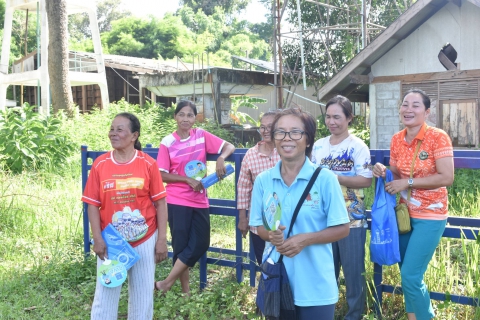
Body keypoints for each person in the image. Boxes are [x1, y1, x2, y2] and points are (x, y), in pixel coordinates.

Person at [249, 107, 350, 320]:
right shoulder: (263, 181)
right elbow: (259, 227)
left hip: (317, 288)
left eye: (295, 132)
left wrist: (305, 240)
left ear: (308, 139)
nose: (287, 138)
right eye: (280, 132)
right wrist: (272, 235)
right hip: (276, 281)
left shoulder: (325, 180)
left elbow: (342, 228)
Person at [373, 89, 454, 320]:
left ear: (426, 112)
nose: (408, 109)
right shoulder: (397, 139)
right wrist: (384, 170)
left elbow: (446, 177)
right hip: (404, 214)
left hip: (431, 213)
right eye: (405, 104)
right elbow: (397, 171)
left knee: (410, 275)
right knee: (407, 274)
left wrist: (407, 182)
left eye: (415, 105)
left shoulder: (438, 137)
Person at [82, 112, 168, 320]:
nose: (113, 133)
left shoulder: (147, 164)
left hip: (145, 239)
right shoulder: (100, 165)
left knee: (142, 297)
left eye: (119, 129)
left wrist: (162, 240)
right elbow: (92, 205)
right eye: (112, 129)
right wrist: (99, 239)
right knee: (106, 296)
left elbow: (160, 202)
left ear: (134, 136)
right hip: (111, 243)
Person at [155, 100, 235, 295]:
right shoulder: (167, 142)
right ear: (175, 117)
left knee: (201, 242)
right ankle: (185, 291)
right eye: (181, 114)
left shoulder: (201, 135)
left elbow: (229, 146)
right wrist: (186, 180)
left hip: (199, 199)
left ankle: (165, 283)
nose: (185, 119)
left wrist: (221, 158)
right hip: (176, 200)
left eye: (190, 115)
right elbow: (161, 174)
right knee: (181, 245)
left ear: (194, 118)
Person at [311, 95, 372, 320]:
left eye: (337, 117)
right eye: (328, 116)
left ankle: (355, 315)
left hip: (351, 219)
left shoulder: (357, 146)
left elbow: (365, 180)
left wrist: (333, 177)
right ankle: (325, 312)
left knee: (354, 271)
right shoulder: (318, 146)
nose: (331, 121)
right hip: (322, 219)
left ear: (349, 118)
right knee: (326, 270)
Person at [237, 110, 280, 265]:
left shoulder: (286, 151)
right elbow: (243, 188)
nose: (266, 130)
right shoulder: (251, 155)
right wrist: (243, 218)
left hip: (284, 219)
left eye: (271, 126)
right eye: (262, 127)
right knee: (264, 263)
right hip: (259, 221)